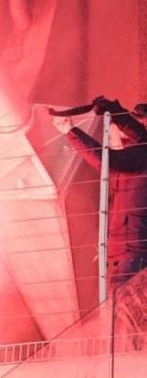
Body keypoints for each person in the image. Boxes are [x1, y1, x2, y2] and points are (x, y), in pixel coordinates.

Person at [56, 96, 147, 287]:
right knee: (118, 309)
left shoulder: (141, 155)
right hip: (129, 251)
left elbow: (104, 160)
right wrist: (113, 109)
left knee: (117, 309)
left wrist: (71, 131)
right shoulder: (139, 153)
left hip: (132, 254)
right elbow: (138, 133)